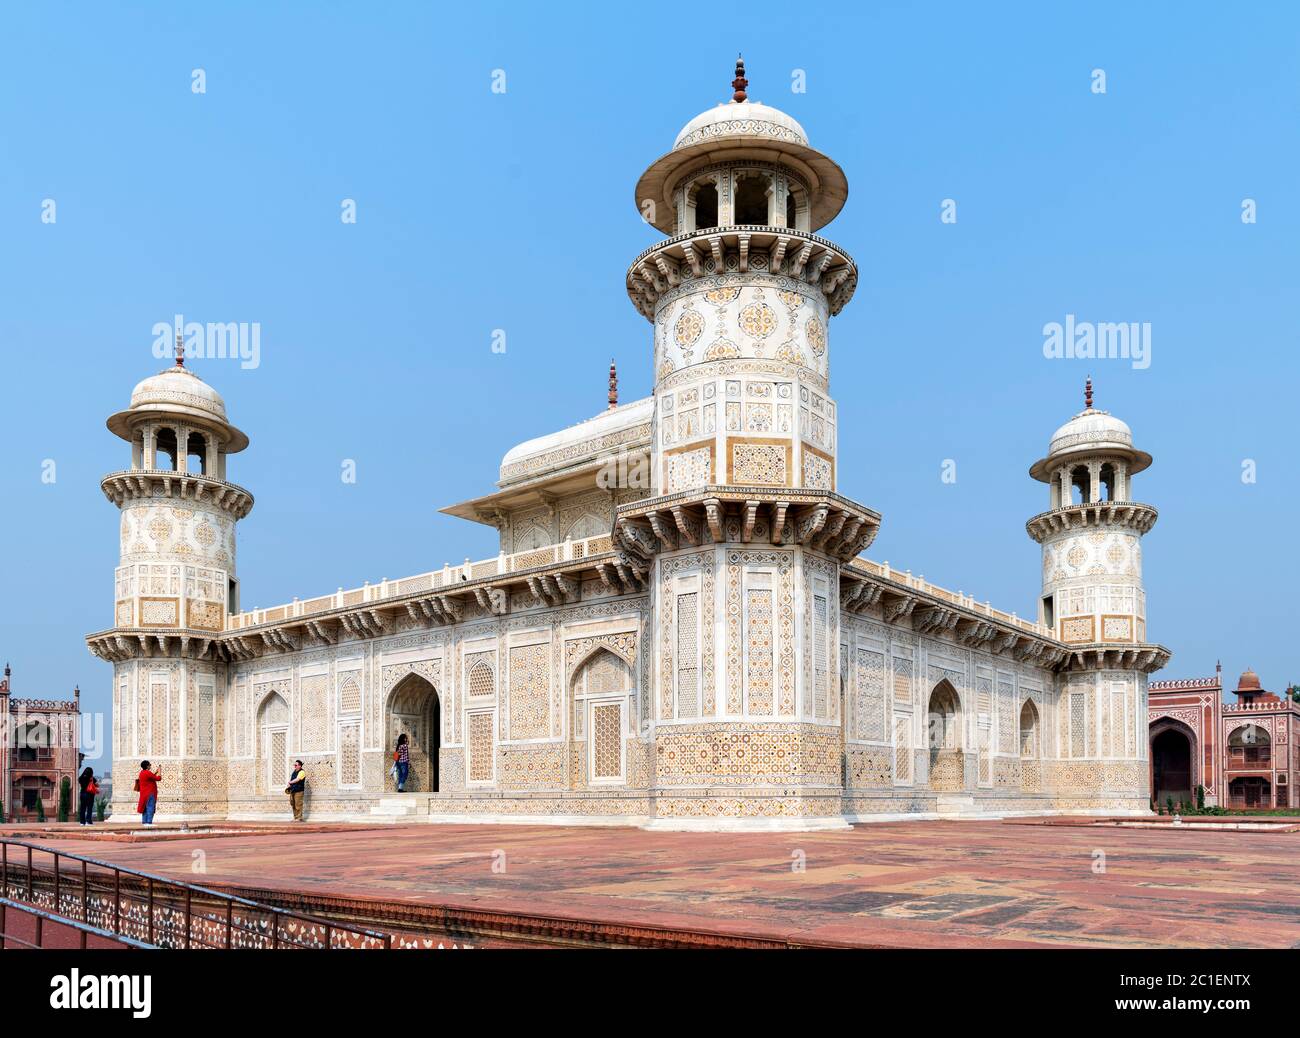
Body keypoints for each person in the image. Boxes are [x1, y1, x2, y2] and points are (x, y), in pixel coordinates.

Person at [136, 761, 162, 825]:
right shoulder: (148, 772)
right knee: (150, 808)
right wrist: (159, 772)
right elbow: (158, 778)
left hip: (144, 794)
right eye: (150, 765)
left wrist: (156, 772)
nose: (150, 766)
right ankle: (149, 822)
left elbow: (151, 777)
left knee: (145, 808)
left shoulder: (142, 772)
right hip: (150, 793)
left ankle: (144, 822)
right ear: (147, 766)